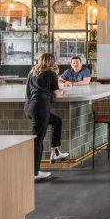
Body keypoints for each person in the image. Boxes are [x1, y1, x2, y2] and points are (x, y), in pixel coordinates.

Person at [25, 53, 69, 182]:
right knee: (37, 140)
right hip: (40, 108)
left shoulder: (32, 72)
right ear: (52, 62)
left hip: (29, 107)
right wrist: (62, 91)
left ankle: (55, 152)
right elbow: (56, 94)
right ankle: (34, 173)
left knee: (57, 122)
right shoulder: (51, 74)